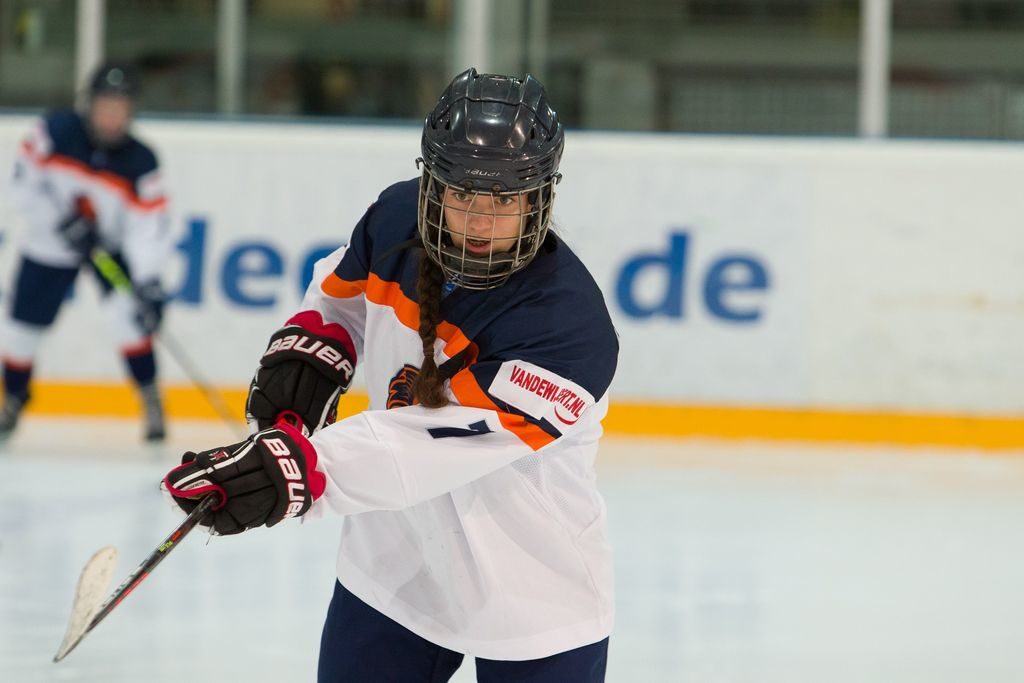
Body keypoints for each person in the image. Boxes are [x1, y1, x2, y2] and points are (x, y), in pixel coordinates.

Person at [163, 68, 619, 681]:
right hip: (396, 565)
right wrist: (317, 343)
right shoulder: (396, 218)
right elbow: (341, 290)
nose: (480, 221)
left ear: (540, 197)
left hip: (528, 592)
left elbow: (432, 443)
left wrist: (302, 469)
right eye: (461, 195)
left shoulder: (569, 330)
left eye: (504, 200)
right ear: (432, 184)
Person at [0, 62, 172, 442]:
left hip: (105, 252)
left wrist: (147, 281)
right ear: (89, 104)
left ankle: (150, 398)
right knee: (20, 328)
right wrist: (59, 221)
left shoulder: (142, 160)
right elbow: (21, 186)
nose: (112, 116)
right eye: (105, 105)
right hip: (50, 243)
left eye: (121, 107)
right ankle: (13, 397)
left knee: (130, 317)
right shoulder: (55, 131)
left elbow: (148, 228)